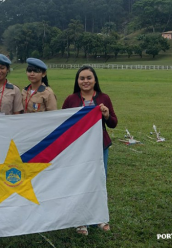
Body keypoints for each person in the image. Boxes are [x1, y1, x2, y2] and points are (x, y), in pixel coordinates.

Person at [62, 65, 117, 235]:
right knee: (79, 182)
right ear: (77, 81)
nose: (85, 81)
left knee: (99, 180)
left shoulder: (104, 98)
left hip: (100, 147)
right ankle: (81, 221)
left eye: (89, 78)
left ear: (95, 80)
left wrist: (106, 115)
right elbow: (62, 124)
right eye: (82, 78)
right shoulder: (71, 99)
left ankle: (99, 218)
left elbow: (113, 123)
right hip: (78, 149)